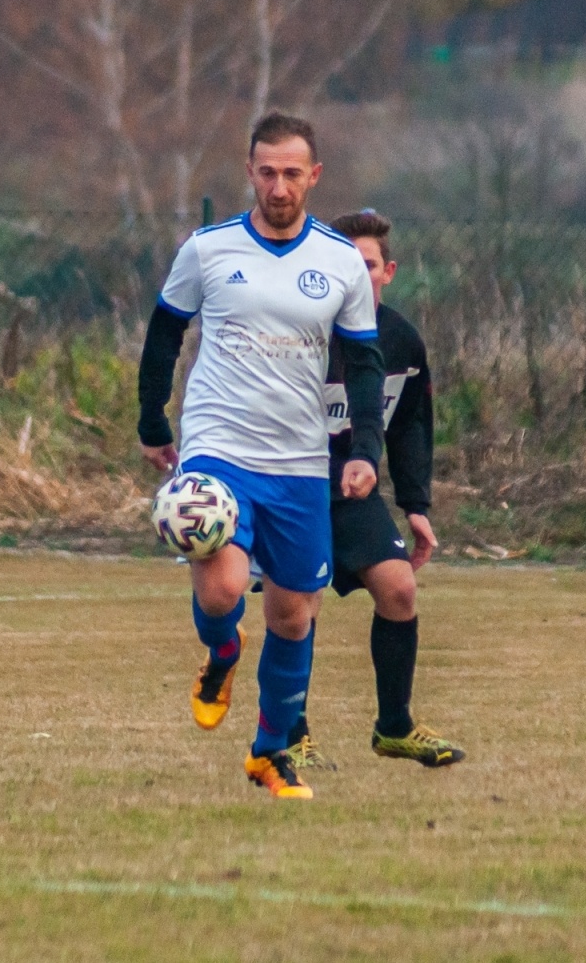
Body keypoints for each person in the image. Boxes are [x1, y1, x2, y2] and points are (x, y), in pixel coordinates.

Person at [137, 113, 386, 800]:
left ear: (314, 177)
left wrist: (365, 450)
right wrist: (152, 418)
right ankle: (220, 651)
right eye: (267, 171)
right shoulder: (209, 250)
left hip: (301, 461)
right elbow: (165, 332)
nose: (279, 186)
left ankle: (270, 753)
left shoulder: (340, 261)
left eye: (292, 173)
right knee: (221, 588)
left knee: (293, 615)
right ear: (250, 172)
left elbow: (364, 364)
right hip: (219, 447)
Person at [286, 209, 464, 770]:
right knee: (300, 607)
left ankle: (394, 728)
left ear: (388, 271)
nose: (357, 276)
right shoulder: (301, 334)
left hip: (354, 493)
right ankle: (290, 734)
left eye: (367, 266)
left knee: (400, 590)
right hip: (296, 485)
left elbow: (410, 424)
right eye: (346, 265)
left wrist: (416, 507)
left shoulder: (402, 341)